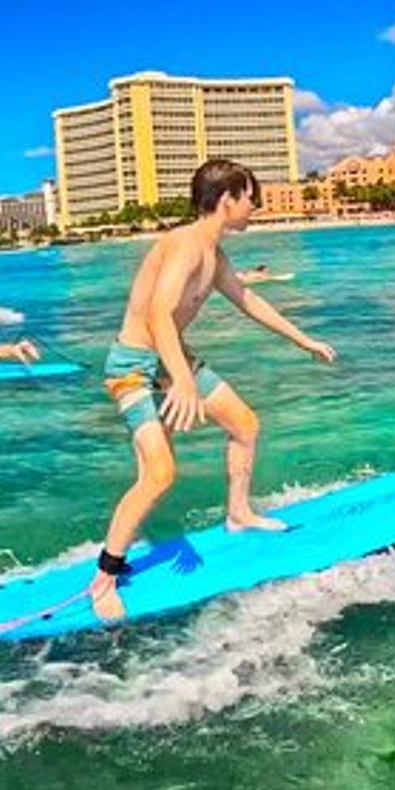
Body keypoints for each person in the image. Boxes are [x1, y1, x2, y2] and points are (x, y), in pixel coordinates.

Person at [85, 158, 335, 621]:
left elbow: (248, 299)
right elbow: (159, 314)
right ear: (227, 200)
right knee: (158, 474)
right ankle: (103, 579)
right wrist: (181, 380)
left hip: (171, 357)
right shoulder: (183, 246)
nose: (254, 208)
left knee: (245, 425)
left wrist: (305, 340)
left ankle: (238, 514)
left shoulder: (214, 255)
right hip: (135, 368)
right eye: (250, 198)